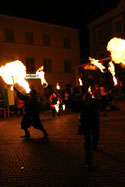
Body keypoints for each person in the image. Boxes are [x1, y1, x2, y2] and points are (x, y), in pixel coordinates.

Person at [70, 92, 102, 171]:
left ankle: (94, 146)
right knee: (87, 143)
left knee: (96, 137)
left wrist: (106, 100)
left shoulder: (95, 102)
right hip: (85, 125)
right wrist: (70, 104)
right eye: (85, 99)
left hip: (94, 123)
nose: (87, 101)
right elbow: (75, 109)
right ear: (84, 99)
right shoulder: (81, 104)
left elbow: (102, 105)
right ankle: (88, 162)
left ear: (91, 99)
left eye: (88, 99)